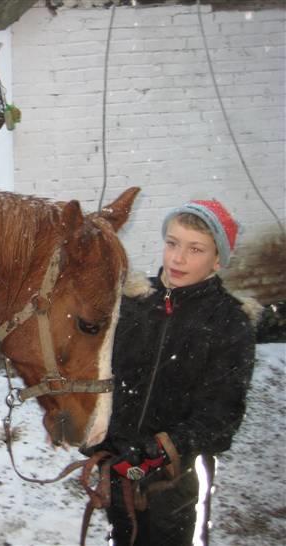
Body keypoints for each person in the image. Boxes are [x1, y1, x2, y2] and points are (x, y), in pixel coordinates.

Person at [87, 199, 261, 545]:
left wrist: (159, 450)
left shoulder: (228, 323)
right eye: (172, 243)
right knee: (122, 536)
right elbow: (104, 377)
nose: (178, 258)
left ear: (217, 259)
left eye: (195, 249)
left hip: (177, 481)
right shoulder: (134, 302)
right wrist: (97, 435)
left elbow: (221, 417)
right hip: (120, 468)